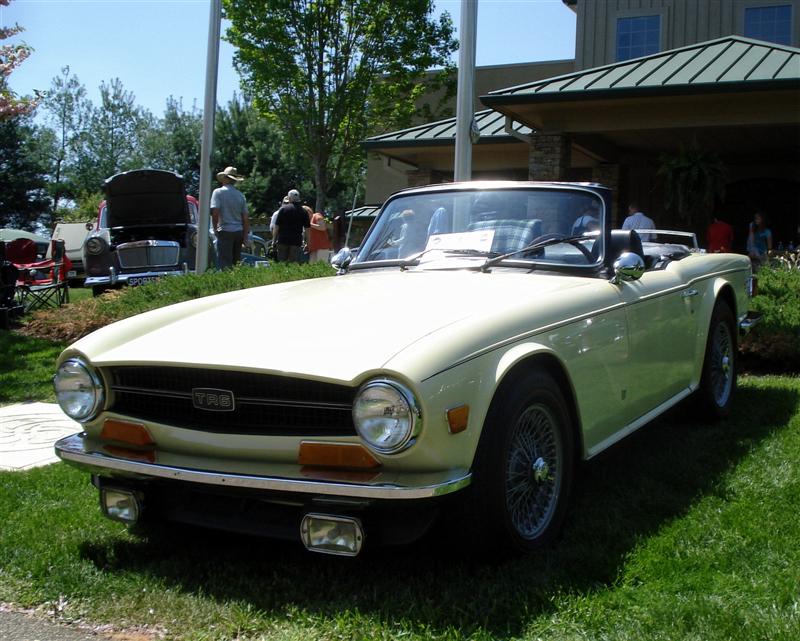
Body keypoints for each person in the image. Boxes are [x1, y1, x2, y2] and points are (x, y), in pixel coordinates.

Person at [211, 166, 250, 269]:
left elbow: (215, 213)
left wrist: (215, 229)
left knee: (224, 262)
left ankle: (226, 283)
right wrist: (245, 237)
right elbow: (245, 218)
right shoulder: (240, 195)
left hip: (225, 230)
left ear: (225, 178)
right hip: (238, 232)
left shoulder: (218, 192)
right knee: (236, 262)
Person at [274, 189, 309, 263]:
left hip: (283, 240)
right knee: (293, 264)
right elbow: (307, 229)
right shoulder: (304, 211)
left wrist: (274, 240)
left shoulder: (283, 209)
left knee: (282, 263)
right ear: (298, 198)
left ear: (289, 198)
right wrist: (308, 242)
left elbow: (276, 226)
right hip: (296, 241)